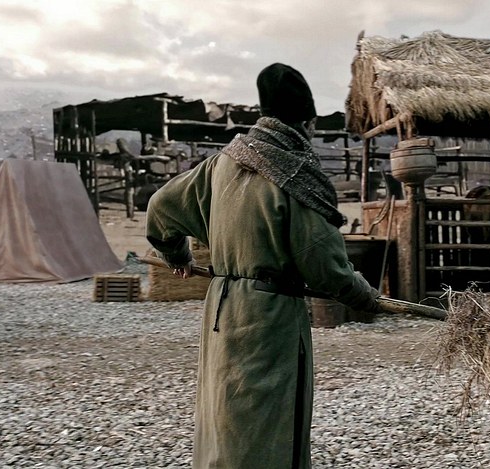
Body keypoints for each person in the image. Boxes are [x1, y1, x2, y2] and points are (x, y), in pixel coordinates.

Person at [146, 63, 381, 468]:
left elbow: (160, 206)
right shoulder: (294, 174)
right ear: (306, 121)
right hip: (269, 317)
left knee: (227, 413)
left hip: (222, 308)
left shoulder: (223, 163)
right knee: (268, 421)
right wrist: (363, 295)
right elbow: (325, 267)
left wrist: (177, 255)